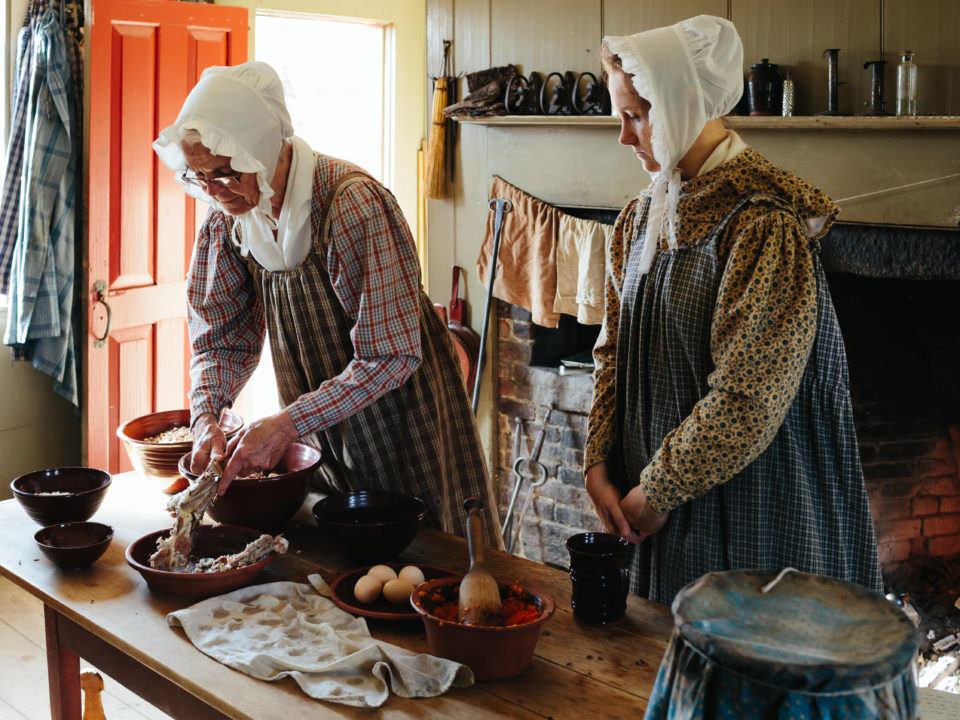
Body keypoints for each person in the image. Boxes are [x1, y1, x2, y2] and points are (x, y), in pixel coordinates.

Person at [583, 16, 882, 603]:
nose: (623, 137)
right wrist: (598, 463)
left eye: (636, 117)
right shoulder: (640, 220)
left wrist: (658, 491)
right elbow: (612, 351)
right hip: (654, 501)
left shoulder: (763, 225)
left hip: (751, 505)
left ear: (683, 106)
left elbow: (749, 397)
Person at [152, 61, 500, 543]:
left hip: (404, 421)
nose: (211, 191)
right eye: (197, 177)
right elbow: (221, 342)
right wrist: (208, 413)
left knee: (427, 555)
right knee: (333, 555)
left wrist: (286, 423)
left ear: (262, 152)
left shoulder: (349, 203)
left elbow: (390, 355)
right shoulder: (228, 219)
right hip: (320, 426)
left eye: (225, 173)